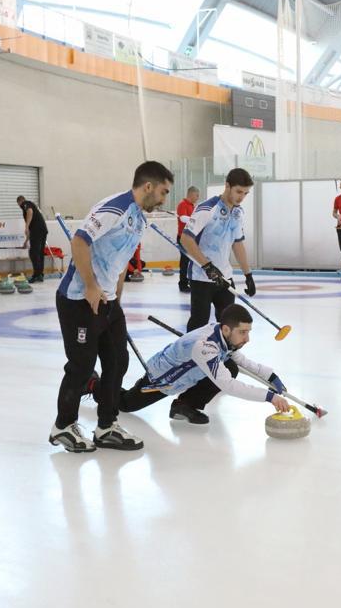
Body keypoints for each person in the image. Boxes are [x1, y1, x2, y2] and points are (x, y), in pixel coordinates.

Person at [49, 161, 172, 453]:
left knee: (118, 361)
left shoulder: (140, 218)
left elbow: (120, 260)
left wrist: (116, 294)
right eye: (164, 192)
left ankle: (106, 425)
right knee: (81, 366)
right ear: (149, 186)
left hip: (107, 301)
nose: (165, 199)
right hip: (79, 299)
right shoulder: (113, 208)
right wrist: (92, 286)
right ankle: (63, 427)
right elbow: (80, 242)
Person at [120, 304, 290, 425]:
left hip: (186, 376)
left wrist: (271, 376)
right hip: (162, 380)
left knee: (230, 366)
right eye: (243, 332)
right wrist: (270, 397)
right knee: (125, 405)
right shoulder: (205, 346)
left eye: (248, 332)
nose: (247, 339)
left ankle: (184, 406)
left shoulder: (223, 335)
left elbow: (242, 362)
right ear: (226, 329)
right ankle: (93, 384)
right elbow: (228, 386)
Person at [180, 168, 256, 334]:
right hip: (201, 277)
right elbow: (186, 239)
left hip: (225, 277)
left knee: (229, 325)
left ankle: (225, 358)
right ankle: (189, 357)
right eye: (238, 191)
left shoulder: (237, 212)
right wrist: (207, 266)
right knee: (199, 324)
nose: (241, 197)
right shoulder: (207, 209)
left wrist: (248, 274)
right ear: (227, 186)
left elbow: (237, 243)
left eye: (245, 193)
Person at [17, 195, 48, 283]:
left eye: (19, 204)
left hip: (37, 231)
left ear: (19, 202)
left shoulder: (25, 204)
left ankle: (36, 275)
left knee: (33, 253)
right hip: (42, 230)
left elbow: (30, 211)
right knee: (39, 253)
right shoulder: (31, 205)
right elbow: (30, 230)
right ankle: (40, 275)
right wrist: (26, 241)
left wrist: (26, 226)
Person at [176, 186, 200, 293]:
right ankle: (183, 284)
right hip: (183, 238)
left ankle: (190, 281)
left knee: (192, 261)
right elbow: (182, 218)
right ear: (191, 194)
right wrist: (195, 220)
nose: (198, 197)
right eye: (197, 195)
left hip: (191, 237)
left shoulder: (192, 206)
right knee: (184, 262)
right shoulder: (182, 204)